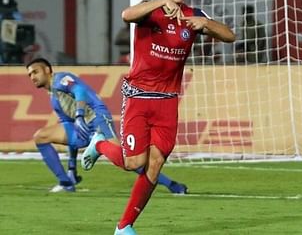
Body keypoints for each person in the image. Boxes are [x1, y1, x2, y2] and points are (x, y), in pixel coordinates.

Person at [80, 0, 235, 234]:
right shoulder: (148, 12)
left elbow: (230, 36)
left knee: (155, 163)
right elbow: (127, 15)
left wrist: (206, 23)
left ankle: (124, 226)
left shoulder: (193, 15)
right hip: (139, 97)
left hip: (167, 102)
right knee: (134, 163)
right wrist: (158, 3)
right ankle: (101, 144)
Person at [26, 58, 188, 194]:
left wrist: (79, 114)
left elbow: (80, 91)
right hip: (81, 128)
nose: (32, 77)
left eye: (35, 72)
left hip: (97, 120)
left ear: (47, 70)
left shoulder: (61, 79)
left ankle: (172, 185)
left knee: (128, 161)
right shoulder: (54, 98)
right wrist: (72, 168)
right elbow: (68, 132)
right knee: (41, 136)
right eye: (29, 74)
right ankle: (66, 182)